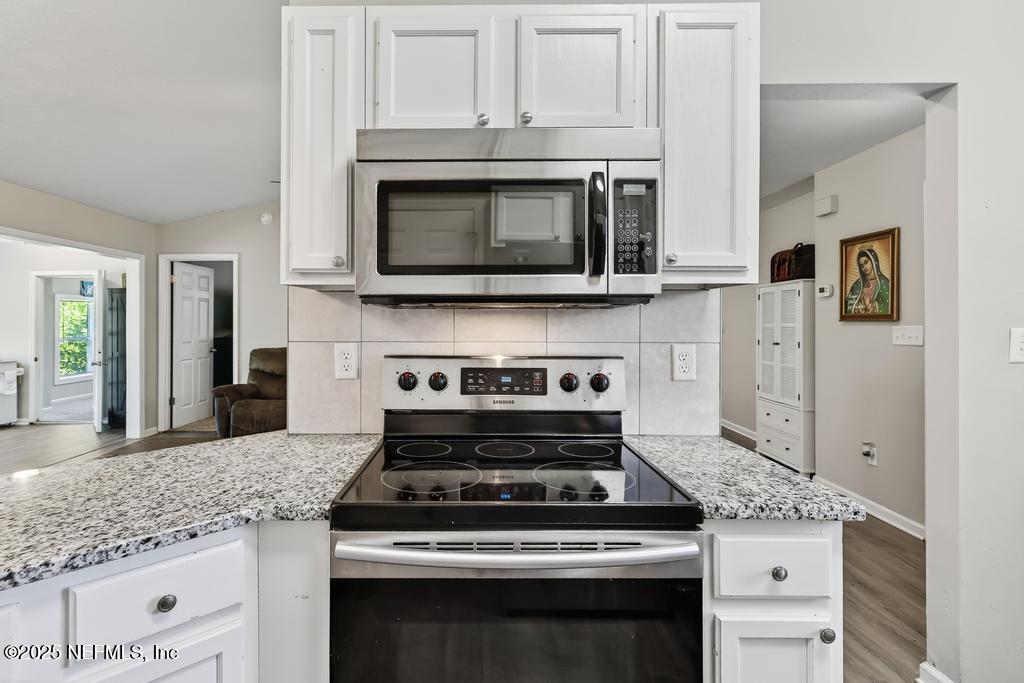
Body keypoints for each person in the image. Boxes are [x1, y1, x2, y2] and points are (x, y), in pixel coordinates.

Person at [845, 247, 890, 315]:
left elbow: (888, 306)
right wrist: (857, 309)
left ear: (873, 261)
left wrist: (872, 306)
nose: (864, 268)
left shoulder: (884, 283)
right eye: (861, 265)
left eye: (866, 263)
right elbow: (849, 306)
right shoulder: (857, 285)